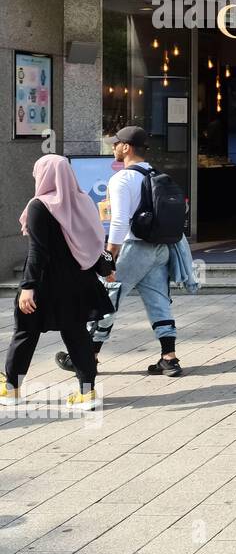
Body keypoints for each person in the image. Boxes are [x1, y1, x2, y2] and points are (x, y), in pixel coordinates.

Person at [1, 156, 113, 411]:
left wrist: (28, 286)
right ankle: (87, 393)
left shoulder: (40, 205)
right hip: (78, 282)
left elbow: (38, 251)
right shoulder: (83, 201)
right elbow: (94, 240)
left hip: (45, 282)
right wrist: (103, 268)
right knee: (76, 334)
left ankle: (11, 389)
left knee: (25, 333)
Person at [95, 127, 184, 377]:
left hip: (134, 248)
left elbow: (120, 222)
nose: (113, 148)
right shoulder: (157, 174)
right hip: (160, 248)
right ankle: (169, 357)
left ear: (127, 147)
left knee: (107, 299)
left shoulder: (121, 179)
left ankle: (88, 355)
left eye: (116, 144)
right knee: (159, 301)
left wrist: (109, 258)